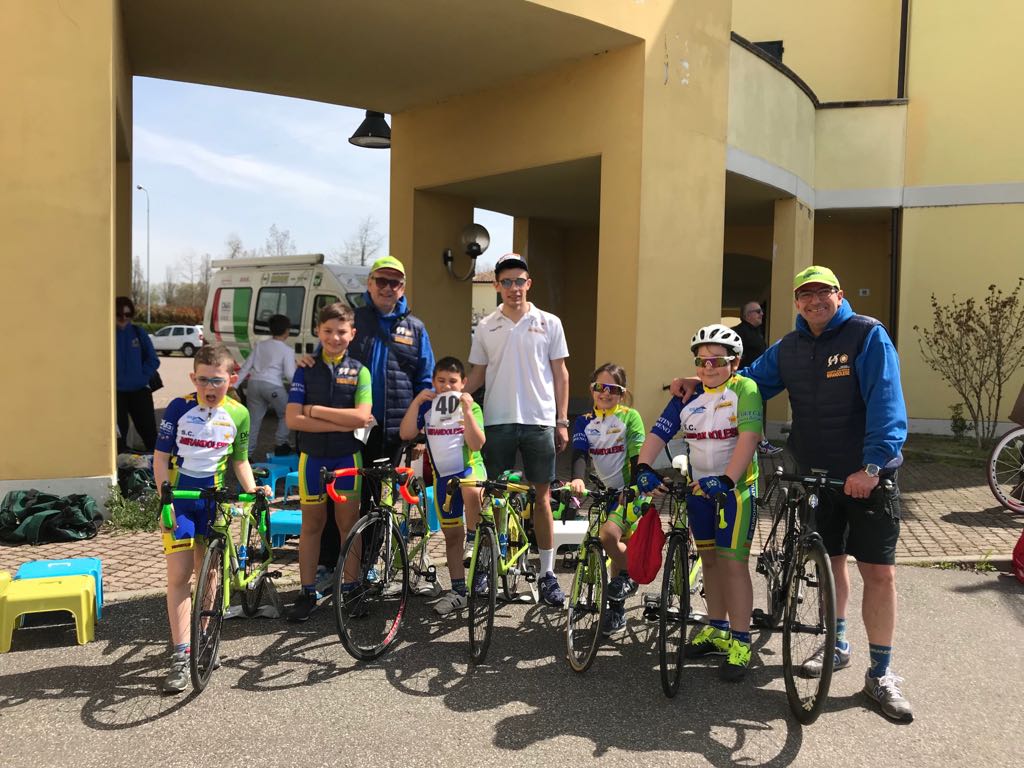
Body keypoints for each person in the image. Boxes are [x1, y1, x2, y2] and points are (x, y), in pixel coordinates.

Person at [672, 266, 912, 721]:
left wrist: (873, 465)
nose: (815, 301)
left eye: (823, 292)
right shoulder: (790, 347)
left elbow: (887, 401)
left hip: (865, 475)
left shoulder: (866, 336)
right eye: (806, 294)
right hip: (813, 474)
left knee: (879, 573)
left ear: (839, 294)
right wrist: (698, 380)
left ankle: (881, 673)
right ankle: (836, 643)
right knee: (831, 565)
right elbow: (744, 381)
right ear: (797, 302)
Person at [637, 324, 761, 681]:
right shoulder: (686, 395)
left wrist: (727, 480)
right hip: (699, 491)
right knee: (709, 562)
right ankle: (717, 628)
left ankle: (741, 640)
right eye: (702, 361)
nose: (709, 367)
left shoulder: (745, 389)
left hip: (735, 491)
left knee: (733, 564)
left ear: (734, 362)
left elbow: (749, 437)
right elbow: (658, 433)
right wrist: (643, 467)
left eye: (717, 360)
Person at [153, 343, 269, 694]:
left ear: (231, 379)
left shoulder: (239, 413)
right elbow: (160, 458)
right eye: (203, 380)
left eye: (217, 380)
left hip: (214, 501)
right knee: (179, 575)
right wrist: (164, 500)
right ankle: (180, 654)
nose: (210, 387)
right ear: (193, 378)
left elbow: (240, 460)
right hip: (181, 501)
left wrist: (253, 489)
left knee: (211, 571)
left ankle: (204, 636)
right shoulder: (179, 407)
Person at [316, 255, 435, 572]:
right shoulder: (354, 320)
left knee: (380, 500)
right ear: (369, 284)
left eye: (394, 282)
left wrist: (418, 430)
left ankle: (367, 565)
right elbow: (326, 358)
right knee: (340, 495)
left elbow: (425, 381)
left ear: (402, 288)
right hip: (350, 427)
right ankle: (329, 563)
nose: (387, 287)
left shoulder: (416, 328)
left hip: (392, 432)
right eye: (381, 280)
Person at [465, 253, 570, 607]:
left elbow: (561, 374)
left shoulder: (550, 322)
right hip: (497, 421)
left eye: (519, 281)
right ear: (497, 286)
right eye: (507, 282)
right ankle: (488, 565)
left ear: (529, 283)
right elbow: (477, 373)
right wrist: (455, 397)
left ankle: (547, 574)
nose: (514, 288)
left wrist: (562, 420)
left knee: (542, 498)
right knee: (494, 497)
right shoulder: (486, 325)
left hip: (540, 420)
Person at [284, 302, 373, 622]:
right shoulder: (305, 368)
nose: (334, 337)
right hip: (312, 459)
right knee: (311, 526)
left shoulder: (360, 371)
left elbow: (362, 417)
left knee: (349, 525)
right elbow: (293, 419)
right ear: (317, 332)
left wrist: (315, 411)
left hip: (347, 458)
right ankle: (307, 592)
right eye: (328, 331)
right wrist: (339, 422)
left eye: (341, 331)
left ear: (353, 334)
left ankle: (351, 588)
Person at [399, 356, 486, 616]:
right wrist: (417, 402)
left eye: (452, 381)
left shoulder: (470, 406)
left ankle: (474, 540)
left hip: (469, 470)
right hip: (442, 479)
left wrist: (467, 412)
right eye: (441, 381)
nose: (447, 386)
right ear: (433, 382)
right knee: (451, 538)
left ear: (463, 383)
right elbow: (405, 433)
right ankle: (458, 591)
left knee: (470, 489)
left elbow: (477, 444)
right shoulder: (428, 408)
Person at [568, 363, 646, 635]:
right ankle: (616, 612)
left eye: (612, 389)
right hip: (605, 492)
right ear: (592, 389)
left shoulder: (630, 417)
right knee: (612, 546)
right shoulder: (584, 421)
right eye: (600, 387)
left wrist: (633, 488)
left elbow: (637, 457)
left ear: (622, 393)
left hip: (630, 490)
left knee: (609, 536)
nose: (605, 393)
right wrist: (577, 479)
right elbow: (579, 453)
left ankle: (630, 576)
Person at [236, 313, 297, 459]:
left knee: (254, 420)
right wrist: (300, 387)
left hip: (254, 384)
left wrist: (235, 384)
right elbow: (290, 374)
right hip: (273, 386)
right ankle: (281, 443)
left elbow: (246, 366)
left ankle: (246, 455)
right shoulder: (287, 350)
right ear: (287, 331)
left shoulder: (260, 346)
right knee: (287, 413)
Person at [733, 300, 782, 456]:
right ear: (748, 315)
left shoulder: (755, 332)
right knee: (752, 411)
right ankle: (760, 443)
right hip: (744, 380)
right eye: (758, 311)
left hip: (755, 380)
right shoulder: (738, 333)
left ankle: (760, 442)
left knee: (754, 410)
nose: (762, 314)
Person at [115, 296, 160, 452]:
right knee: (119, 437)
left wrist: (142, 377)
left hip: (139, 391)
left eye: (128, 314)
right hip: (117, 393)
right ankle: (122, 465)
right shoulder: (107, 335)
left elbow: (153, 360)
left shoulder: (138, 332)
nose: (123, 318)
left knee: (149, 433)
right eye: (119, 314)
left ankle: (157, 464)